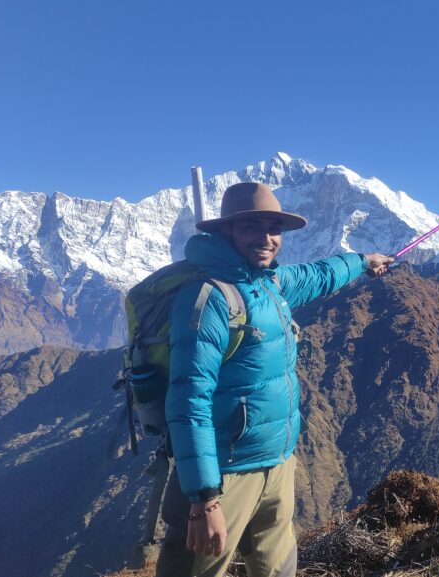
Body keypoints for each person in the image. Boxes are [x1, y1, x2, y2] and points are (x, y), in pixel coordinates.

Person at [156, 182, 393, 577]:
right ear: (226, 231)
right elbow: (188, 401)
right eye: (252, 227)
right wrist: (204, 501)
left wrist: (363, 261)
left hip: (278, 463)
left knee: (278, 569)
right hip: (225, 476)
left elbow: (319, 275)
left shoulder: (268, 284)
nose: (266, 238)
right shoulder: (208, 299)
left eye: (274, 228)